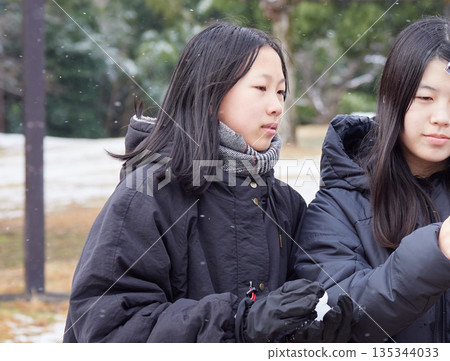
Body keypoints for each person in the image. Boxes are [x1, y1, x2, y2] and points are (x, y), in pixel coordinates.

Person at [63, 23, 352, 343]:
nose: (277, 105)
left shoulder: (287, 204)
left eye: (281, 91)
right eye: (261, 88)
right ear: (210, 93)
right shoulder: (147, 194)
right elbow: (109, 327)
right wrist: (235, 322)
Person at [295, 16, 450, 342]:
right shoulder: (336, 207)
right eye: (425, 98)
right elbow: (334, 316)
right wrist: (437, 251)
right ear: (392, 98)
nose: (442, 118)